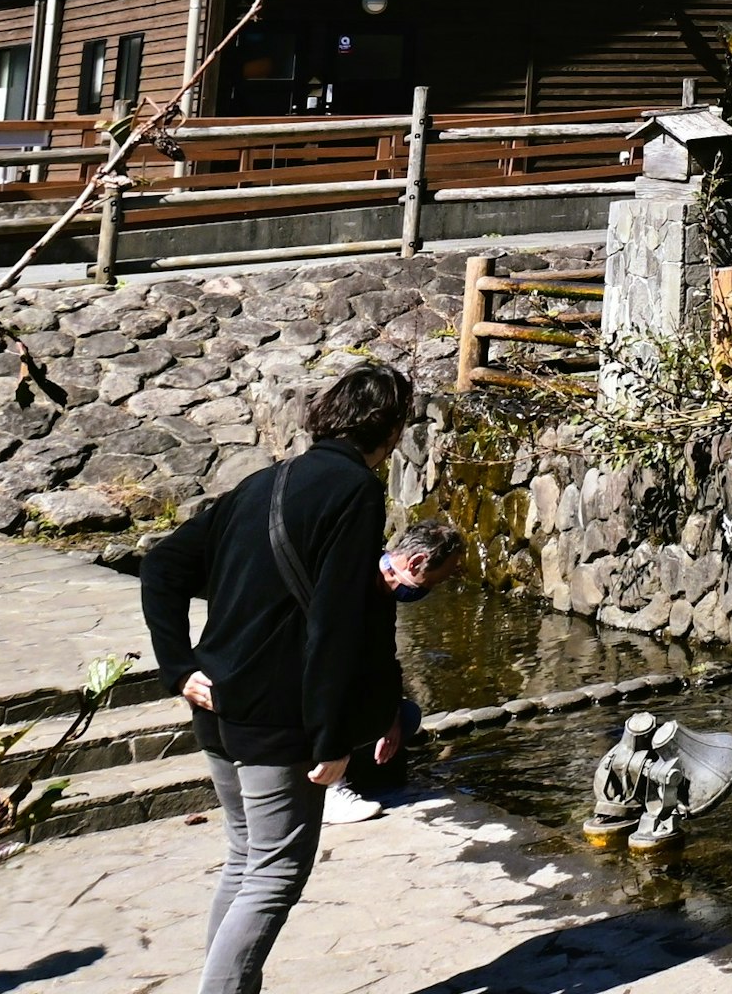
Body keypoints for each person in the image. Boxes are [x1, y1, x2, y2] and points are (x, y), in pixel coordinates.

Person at [139, 362, 414, 994]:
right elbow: (336, 622)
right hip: (277, 713)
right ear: (391, 428)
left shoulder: (264, 481)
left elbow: (162, 567)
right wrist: (332, 738)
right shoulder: (356, 490)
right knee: (275, 872)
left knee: (246, 860)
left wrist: (179, 665)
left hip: (219, 696)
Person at [324, 522, 465, 824]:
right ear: (415, 562)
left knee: (407, 715)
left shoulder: (384, 593)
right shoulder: (350, 582)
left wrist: (390, 717)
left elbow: (385, 662)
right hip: (314, 689)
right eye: (433, 581)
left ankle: (354, 772)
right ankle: (329, 790)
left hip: (346, 692)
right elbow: (333, 665)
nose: (433, 588)